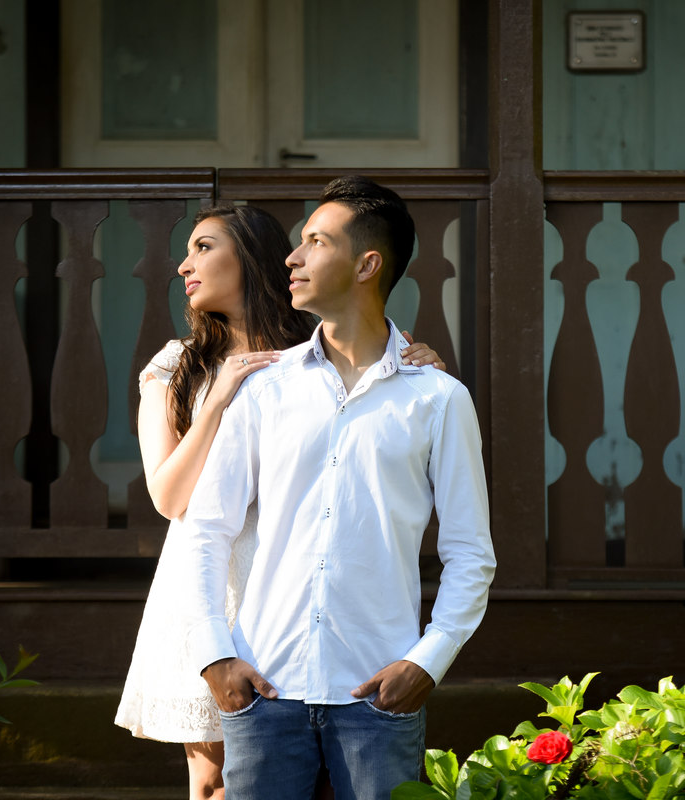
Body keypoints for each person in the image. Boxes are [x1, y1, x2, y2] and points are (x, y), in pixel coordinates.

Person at [114, 202, 446, 800]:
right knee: (214, 778)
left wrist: (420, 362)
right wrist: (218, 398)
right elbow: (168, 498)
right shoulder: (178, 365)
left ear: (251, 257)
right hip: (209, 583)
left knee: (313, 775)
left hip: (297, 584)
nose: (184, 265)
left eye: (203, 247)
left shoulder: (315, 353)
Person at [182, 176, 496, 799]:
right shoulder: (264, 392)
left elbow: (471, 554)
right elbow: (206, 530)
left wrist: (427, 662)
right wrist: (216, 654)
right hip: (264, 691)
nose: (292, 258)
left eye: (315, 242)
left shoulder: (437, 399)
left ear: (366, 264)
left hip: (378, 697)